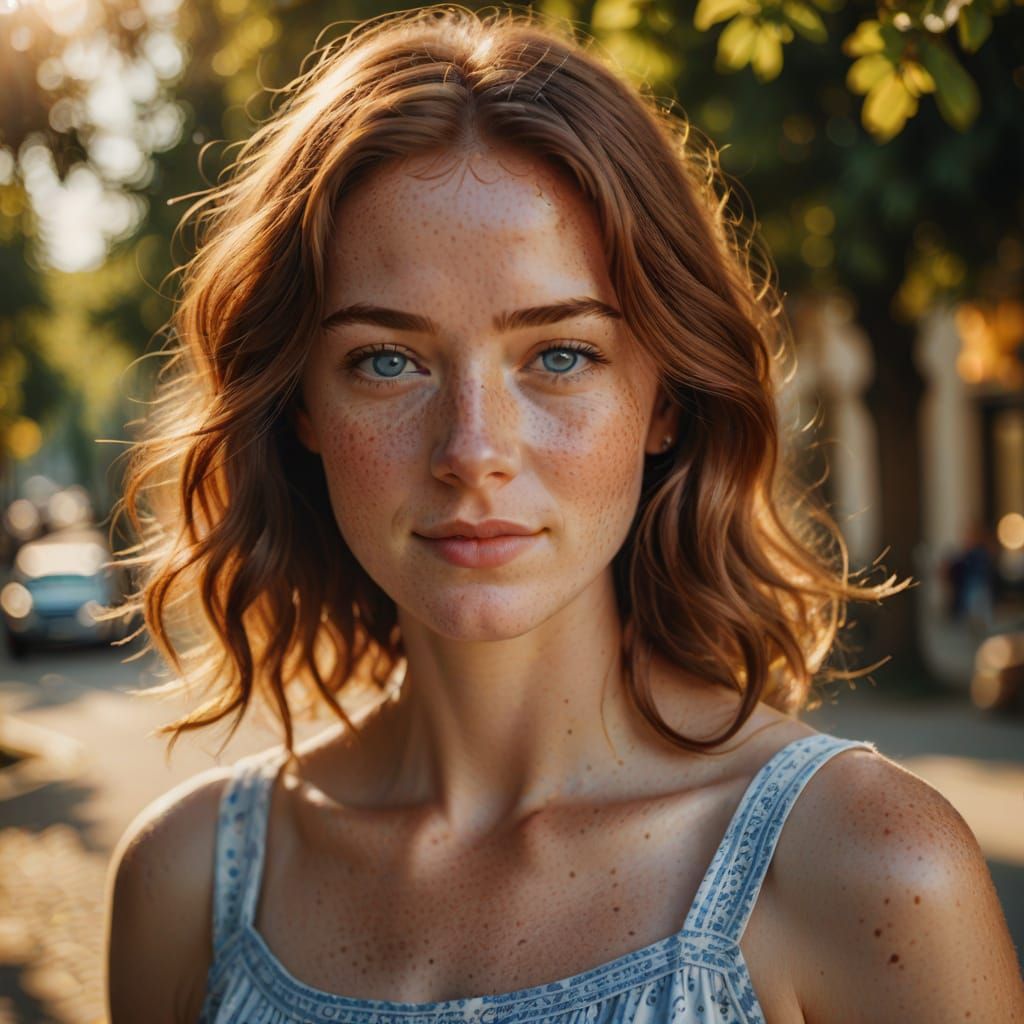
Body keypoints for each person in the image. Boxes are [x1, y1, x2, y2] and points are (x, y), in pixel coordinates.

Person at [103, 5, 1024, 1023]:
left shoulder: (871, 870)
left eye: (559, 355)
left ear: (664, 397)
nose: (472, 452)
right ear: (302, 406)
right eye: (387, 359)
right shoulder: (185, 883)